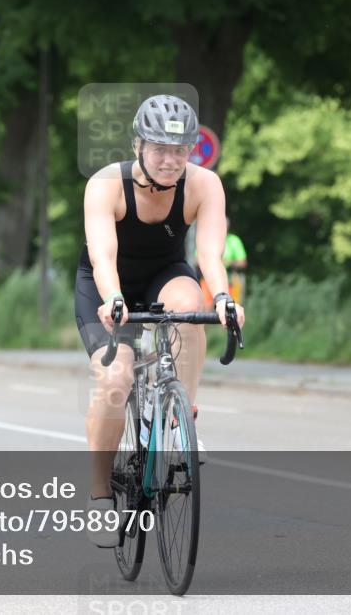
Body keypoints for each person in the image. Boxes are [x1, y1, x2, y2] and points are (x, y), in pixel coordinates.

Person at [76, 94, 245, 547]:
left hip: (164, 275)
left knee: (191, 307)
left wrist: (224, 298)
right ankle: (99, 495)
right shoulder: (106, 184)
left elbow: (209, 254)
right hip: (105, 284)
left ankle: (178, 423)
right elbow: (103, 255)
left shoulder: (204, 184)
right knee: (116, 379)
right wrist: (113, 298)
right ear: (138, 145)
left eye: (180, 150)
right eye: (159, 150)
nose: (170, 161)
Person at [198, 216, 248, 305]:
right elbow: (197, 259)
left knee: (231, 306)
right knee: (205, 305)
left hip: (230, 278)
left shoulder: (234, 240)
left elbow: (243, 263)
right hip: (209, 277)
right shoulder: (208, 239)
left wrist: (228, 262)